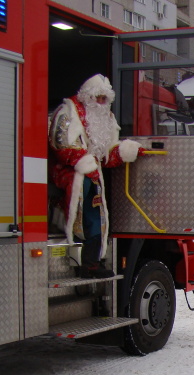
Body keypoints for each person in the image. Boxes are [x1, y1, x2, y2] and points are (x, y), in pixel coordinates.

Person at [49, 74, 142, 278]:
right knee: (84, 216)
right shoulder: (68, 111)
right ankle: (86, 261)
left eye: (104, 99)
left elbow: (107, 156)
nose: (101, 103)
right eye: (98, 98)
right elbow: (60, 142)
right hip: (71, 174)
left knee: (96, 218)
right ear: (88, 96)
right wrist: (84, 163)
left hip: (93, 175)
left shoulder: (106, 118)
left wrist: (127, 151)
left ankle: (91, 263)